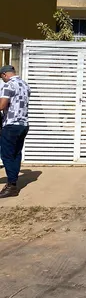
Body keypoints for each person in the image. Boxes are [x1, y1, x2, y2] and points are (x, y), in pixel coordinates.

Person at [0, 65, 30, 198]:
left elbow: (2, 105)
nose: (2, 80)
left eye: (2, 77)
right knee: (16, 154)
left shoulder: (9, 85)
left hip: (11, 125)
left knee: (6, 155)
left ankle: (12, 185)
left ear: (5, 74)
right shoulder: (25, 85)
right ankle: (13, 181)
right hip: (23, 124)